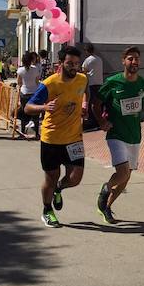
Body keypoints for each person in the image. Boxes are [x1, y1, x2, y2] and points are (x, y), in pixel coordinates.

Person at [25, 46, 89, 228]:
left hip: (74, 138)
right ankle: (47, 210)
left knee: (75, 178)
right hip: (51, 139)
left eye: (76, 64)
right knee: (51, 178)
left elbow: (86, 93)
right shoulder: (49, 84)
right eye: (69, 63)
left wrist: (84, 105)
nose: (74, 67)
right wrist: (44, 108)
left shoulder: (82, 79)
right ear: (61, 64)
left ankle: (58, 190)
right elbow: (28, 108)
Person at [94, 46, 144, 224]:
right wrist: (101, 121)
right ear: (123, 61)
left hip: (134, 135)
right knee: (122, 172)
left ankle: (106, 206)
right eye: (130, 58)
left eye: (137, 58)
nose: (134, 62)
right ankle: (105, 188)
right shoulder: (113, 82)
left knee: (126, 177)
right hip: (116, 133)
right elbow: (96, 103)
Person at [17, 52, 41, 139]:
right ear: (31, 60)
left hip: (24, 93)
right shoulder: (35, 69)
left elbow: (19, 82)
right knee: (35, 113)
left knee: (24, 111)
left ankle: (23, 131)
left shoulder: (20, 70)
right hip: (34, 93)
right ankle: (36, 133)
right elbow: (37, 81)